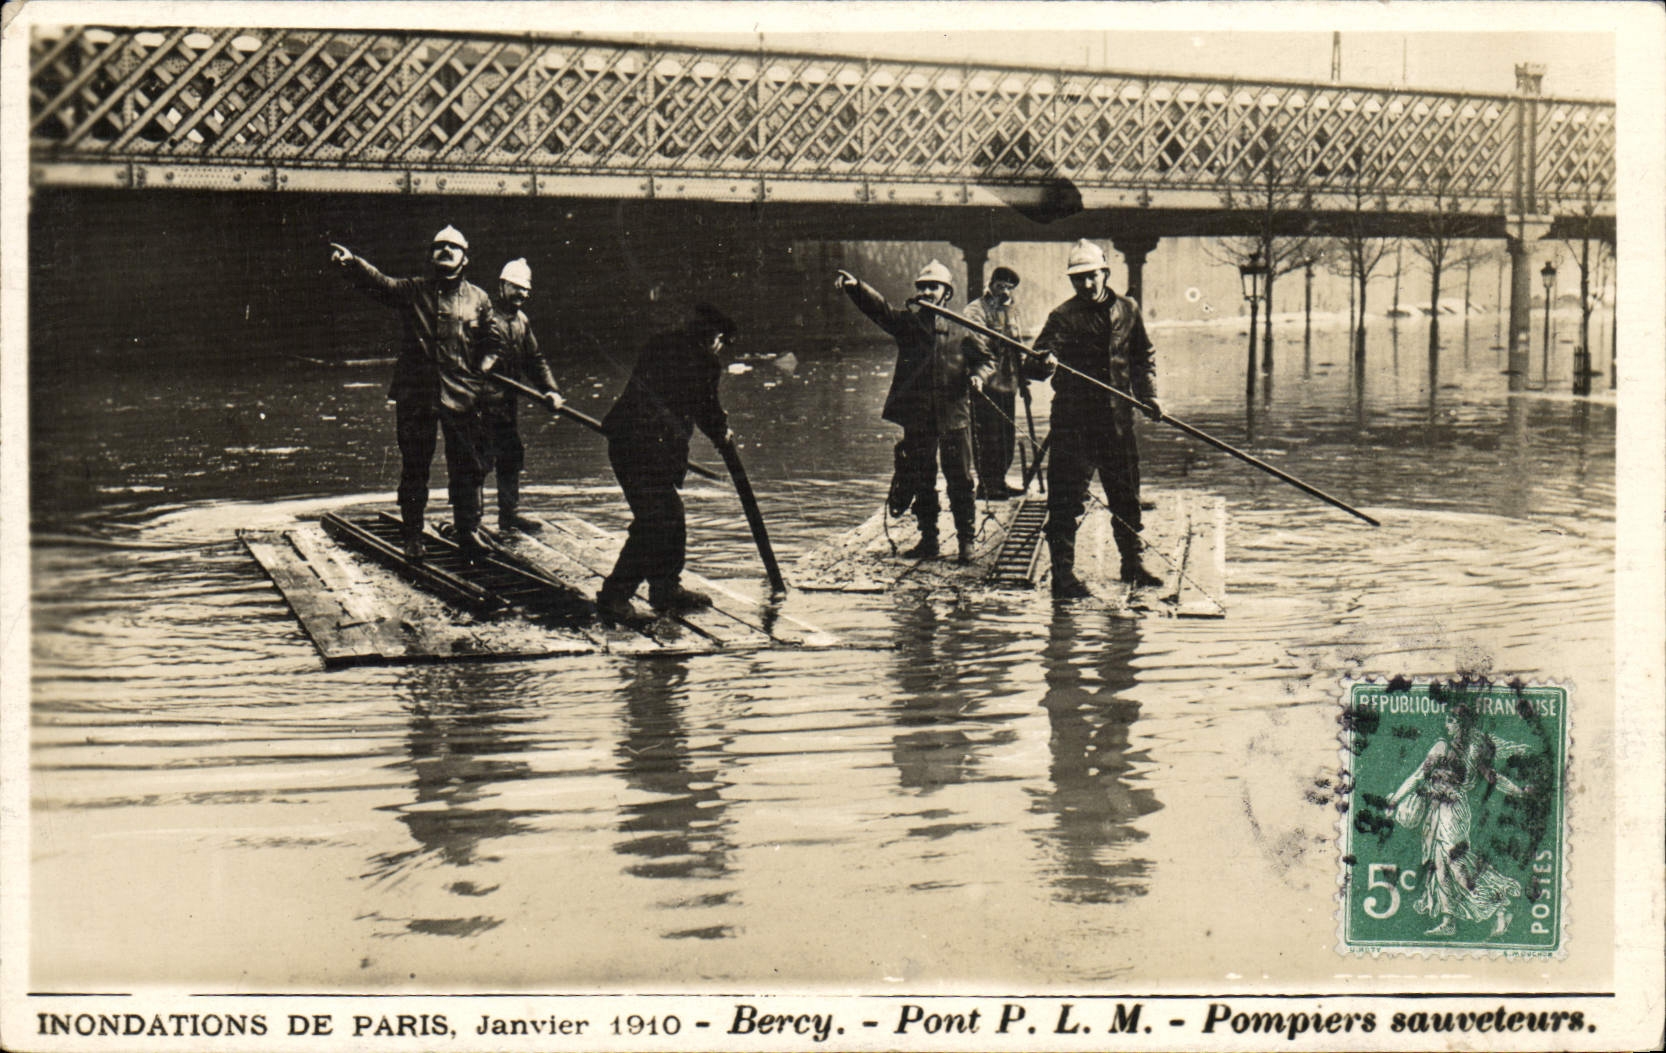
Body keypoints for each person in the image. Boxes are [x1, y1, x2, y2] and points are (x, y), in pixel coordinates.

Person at [331, 226, 497, 562]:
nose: (446, 251)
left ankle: (467, 532)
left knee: (466, 467)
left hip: (462, 396)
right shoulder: (413, 290)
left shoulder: (479, 298)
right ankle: (412, 536)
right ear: (431, 255)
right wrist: (353, 263)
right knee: (415, 467)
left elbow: (492, 343)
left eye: (453, 247)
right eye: (439, 247)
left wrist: (482, 370)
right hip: (416, 395)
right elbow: (381, 283)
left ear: (466, 258)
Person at [1026, 239, 1163, 597]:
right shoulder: (1062, 316)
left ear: (1105, 273)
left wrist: (1148, 395)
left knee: (1126, 496)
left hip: (1117, 422)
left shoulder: (1129, 310)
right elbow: (1035, 363)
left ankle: (1132, 564)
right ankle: (1063, 578)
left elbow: (1142, 357)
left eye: (1091, 276)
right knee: (1065, 502)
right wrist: (1043, 361)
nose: (1085, 285)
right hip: (1074, 425)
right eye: (1078, 279)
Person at [595, 304, 738, 624]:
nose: (720, 349)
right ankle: (615, 596)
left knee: (669, 516)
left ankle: (664, 588)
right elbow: (706, 409)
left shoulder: (660, 343)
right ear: (715, 337)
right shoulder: (704, 360)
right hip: (647, 450)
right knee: (656, 521)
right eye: (722, 343)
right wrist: (722, 433)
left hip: (627, 444)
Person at [836, 261, 984, 563]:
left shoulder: (962, 328)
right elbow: (881, 310)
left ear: (947, 292)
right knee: (921, 477)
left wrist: (979, 374)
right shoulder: (908, 323)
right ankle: (929, 540)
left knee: (960, 479)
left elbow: (986, 358)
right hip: (919, 416)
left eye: (934, 287)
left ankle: (966, 541)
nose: (927, 292)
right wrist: (857, 288)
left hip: (954, 414)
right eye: (923, 287)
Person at [1384, 705, 1533, 938]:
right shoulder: (1451, 747)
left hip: (1452, 812)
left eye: (1452, 721)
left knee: (1456, 864)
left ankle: (1501, 904)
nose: (1448, 725)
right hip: (1438, 811)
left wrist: (1518, 792)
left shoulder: (1457, 749)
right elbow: (1419, 776)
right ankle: (1448, 920)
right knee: (1440, 866)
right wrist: (1394, 800)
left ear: (1462, 724)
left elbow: (1492, 777)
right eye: (1447, 721)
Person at [479, 258, 564, 533]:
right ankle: (471, 523)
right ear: (502, 286)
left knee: (511, 456)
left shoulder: (521, 321)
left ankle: (509, 515)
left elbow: (535, 360)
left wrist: (550, 390)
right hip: (478, 402)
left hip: (505, 404)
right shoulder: (483, 315)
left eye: (526, 290)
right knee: (477, 461)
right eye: (516, 288)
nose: (522, 294)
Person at [963, 266, 1025, 500]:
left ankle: (999, 480)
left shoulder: (1012, 309)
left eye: (1009, 287)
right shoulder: (975, 309)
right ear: (991, 284)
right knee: (988, 434)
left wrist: (1023, 379)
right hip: (985, 384)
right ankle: (987, 484)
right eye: (1001, 286)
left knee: (1006, 435)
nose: (1005, 291)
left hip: (1008, 383)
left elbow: (1017, 343)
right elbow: (976, 345)